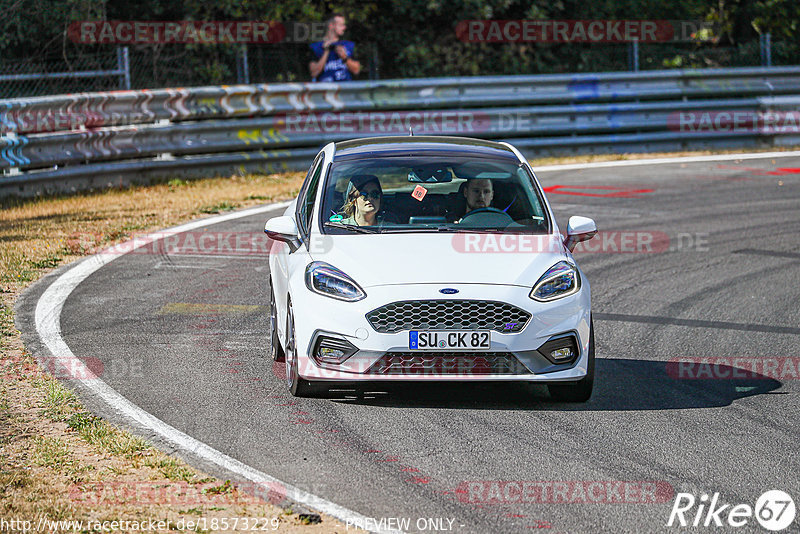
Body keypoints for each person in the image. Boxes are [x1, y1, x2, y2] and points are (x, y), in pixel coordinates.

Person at [308, 14, 361, 82]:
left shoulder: (348, 45)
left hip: (346, 89)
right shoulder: (316, 47)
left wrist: (344, 57)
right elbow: (314, 73)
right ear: (331, 26)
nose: (344, 28)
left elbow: (356, 70)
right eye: (341, 25)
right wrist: (326, 52)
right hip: (326, 90)